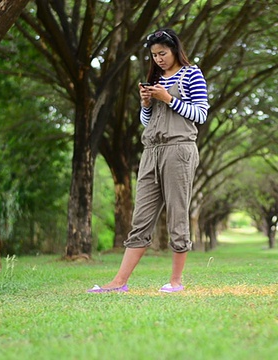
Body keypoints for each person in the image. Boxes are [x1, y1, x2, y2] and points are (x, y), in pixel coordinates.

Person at [87, 28, 209, 294]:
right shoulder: (155, 79)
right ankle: (119, 282)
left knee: (178, 214)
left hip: (179, 149)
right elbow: (147, 122)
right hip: (151, 152)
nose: (158, 59)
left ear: (175, 49)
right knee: (140, 218)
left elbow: (200, 114)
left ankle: (176, 282)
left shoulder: (192, 74)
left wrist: (168, 99)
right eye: (154, 55)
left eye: (162, 53)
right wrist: (146, 104)